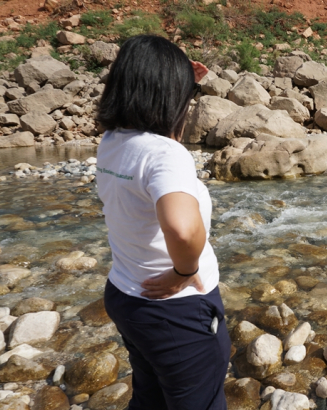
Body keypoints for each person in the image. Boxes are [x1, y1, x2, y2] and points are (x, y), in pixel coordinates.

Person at [95, 35, 231, 410]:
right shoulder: (165, 155)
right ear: (170, 97)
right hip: (177, 311)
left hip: (127, 296)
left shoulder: (113, 141)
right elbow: (182, 229)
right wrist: (183, 271)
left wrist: (186, 81)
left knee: (150, 398)